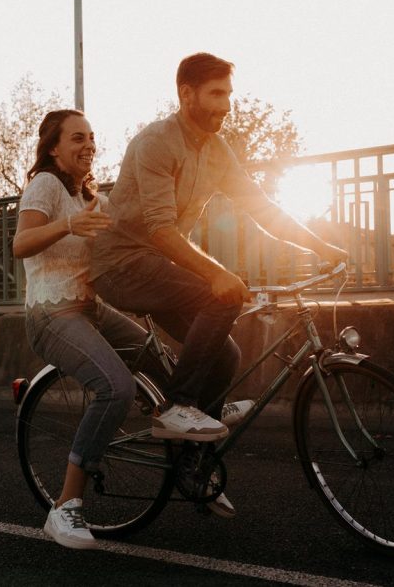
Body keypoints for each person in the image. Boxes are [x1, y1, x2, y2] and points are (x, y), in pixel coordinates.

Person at [90, 52, 348, 517]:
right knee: (221, 292)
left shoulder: (216, 149)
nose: (226, 105)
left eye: (229, 93)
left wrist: (321, 247)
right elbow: (160, 229)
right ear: (186, 94)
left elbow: (261, 207)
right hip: (121, 264)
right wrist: (217, 272)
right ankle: (177, 406)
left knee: (225, 354)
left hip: (157, 267)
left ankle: (192, 465)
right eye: (216, 94)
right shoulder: (155, 143)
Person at [13, 109, 148, 550]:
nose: (89, 144)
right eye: (77, 138)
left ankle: (194, 455)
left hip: (92, 309)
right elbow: (21, 244)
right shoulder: (46, 185)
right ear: (54, 147)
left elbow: (131, 232)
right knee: (116, 387)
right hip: (52, 313)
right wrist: (67, 224)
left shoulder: (92, 197)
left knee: (152, 353)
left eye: (92, 137)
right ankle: (65, 507)